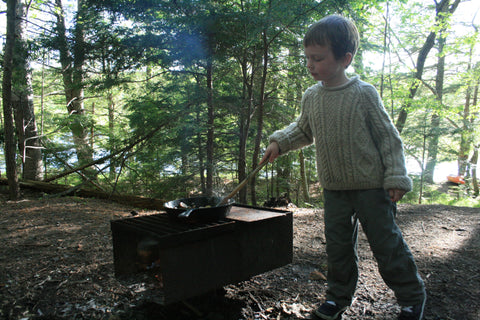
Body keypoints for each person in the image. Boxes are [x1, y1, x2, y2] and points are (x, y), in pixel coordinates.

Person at [261, 15, 426, 320]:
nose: (310, 65)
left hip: (371, 188)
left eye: (318, 58)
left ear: (345, 58)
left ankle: (411, 298)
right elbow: (303, 130)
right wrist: (278, 143)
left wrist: (396, 177)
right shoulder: (311, 97)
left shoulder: (364, 94)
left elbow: (388, 137)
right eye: (308, 58)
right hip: (334, 189)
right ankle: (337, 298)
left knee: (385, 244)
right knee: (337, 248)